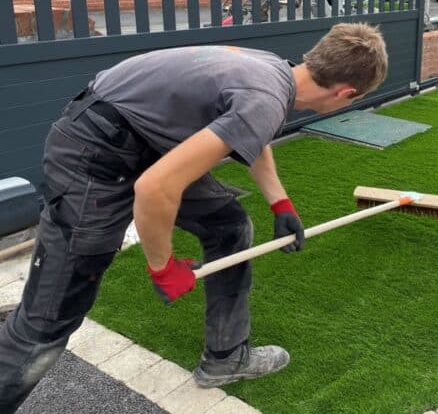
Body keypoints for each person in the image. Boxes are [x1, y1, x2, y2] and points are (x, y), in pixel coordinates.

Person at [0, 23, 388, 412]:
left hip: (139, 138)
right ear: (346, 93)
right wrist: (162, 267)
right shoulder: (267, 97)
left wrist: (280, 203)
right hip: (91, 154)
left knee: (230, 227)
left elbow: (252, 135)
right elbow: (154, 189)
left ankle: (226, 357)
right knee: (46, 323)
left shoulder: (275, 71)